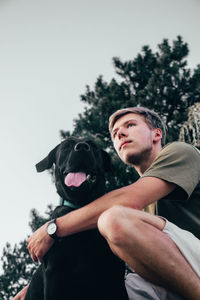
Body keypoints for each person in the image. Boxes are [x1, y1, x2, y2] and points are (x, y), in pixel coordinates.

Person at [13, 106, 200, 300]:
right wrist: (38, 283)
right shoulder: (141, 206)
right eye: (115, 133)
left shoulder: (181, 152)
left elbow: (127, 201)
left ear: (156, 134)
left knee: (113, 219)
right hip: (171, 279)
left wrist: (53, 228)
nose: (121, 134)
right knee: (106, 284)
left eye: (130, 125)